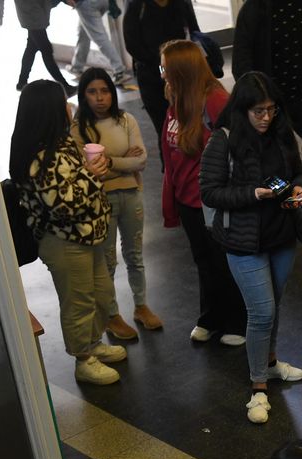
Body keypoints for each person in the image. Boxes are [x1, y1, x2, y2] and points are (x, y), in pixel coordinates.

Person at [200, 72, 302, 424]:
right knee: (261, 312)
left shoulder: (281, 133)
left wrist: (299, 189)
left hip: (281, 236)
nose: (266, 118)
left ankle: (270, 363)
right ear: (242, 109)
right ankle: (258, 387)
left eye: (271, 110)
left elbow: (298, 172)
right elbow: (210, 192)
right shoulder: (223, 140)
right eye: (258, 112)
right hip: (243, 242)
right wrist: (253, 194)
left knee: (273, 306)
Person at [10, 81, 125, 386]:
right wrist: (93, 175)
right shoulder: (38, 157)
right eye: (64, 101)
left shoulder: (60, 142)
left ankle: (94, 343)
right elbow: (63, 207)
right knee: (79, 301)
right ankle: (83, 358)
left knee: (101, 294)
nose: (69, 105)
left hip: (89, 236)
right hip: (64, 241)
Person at [158, 39, 247, 347]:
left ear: (181, 71)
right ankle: (210, 317)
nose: (162, 74)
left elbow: (239, 151)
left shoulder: (216, 101)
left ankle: (237, 322)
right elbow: (170, 158)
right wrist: (171, 203)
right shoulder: (176, 98)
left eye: (166, 68)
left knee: (224, 262)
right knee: (204, 262)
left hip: (214, 202)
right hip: (187, 201)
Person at [232, 0, 302, 226]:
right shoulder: (255, 7)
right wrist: (257, 99)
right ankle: (278, 203)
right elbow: (242, 56)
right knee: (274, 153)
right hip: (272, 100)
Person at [72, 67, 161, 340]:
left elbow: (141, 160)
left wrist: (107, 162)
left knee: (135, 255)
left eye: (105, 91)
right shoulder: (78, 129)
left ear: (112, 93)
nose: (100, 98)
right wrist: (123, 163)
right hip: (100, 201)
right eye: (92, 92)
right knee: (107, 260)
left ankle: (141, 306)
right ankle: (111, 315)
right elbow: (85, 171)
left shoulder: (126, 120)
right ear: (83, 95)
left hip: (131, 195)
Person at [123, 0, 201, 157]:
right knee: (164, 128)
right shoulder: (137, 5)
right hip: (152, 77)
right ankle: (169, 170)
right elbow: (132, 44)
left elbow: (195, 32)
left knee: (190, 125)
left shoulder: (181, 3)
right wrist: (162, 66)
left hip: (183, 74)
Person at [0, 0, 73, 94]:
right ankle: (65, 86)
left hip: (37, 13)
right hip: (31, 15)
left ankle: (22, 82)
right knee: (46, 51)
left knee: (31, 49)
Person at [68, 0, 135, 89]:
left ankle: (119, 70)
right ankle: (77, 67)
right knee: (83, 33)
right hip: (103, 1)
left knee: (100, 38)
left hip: (86, 3)